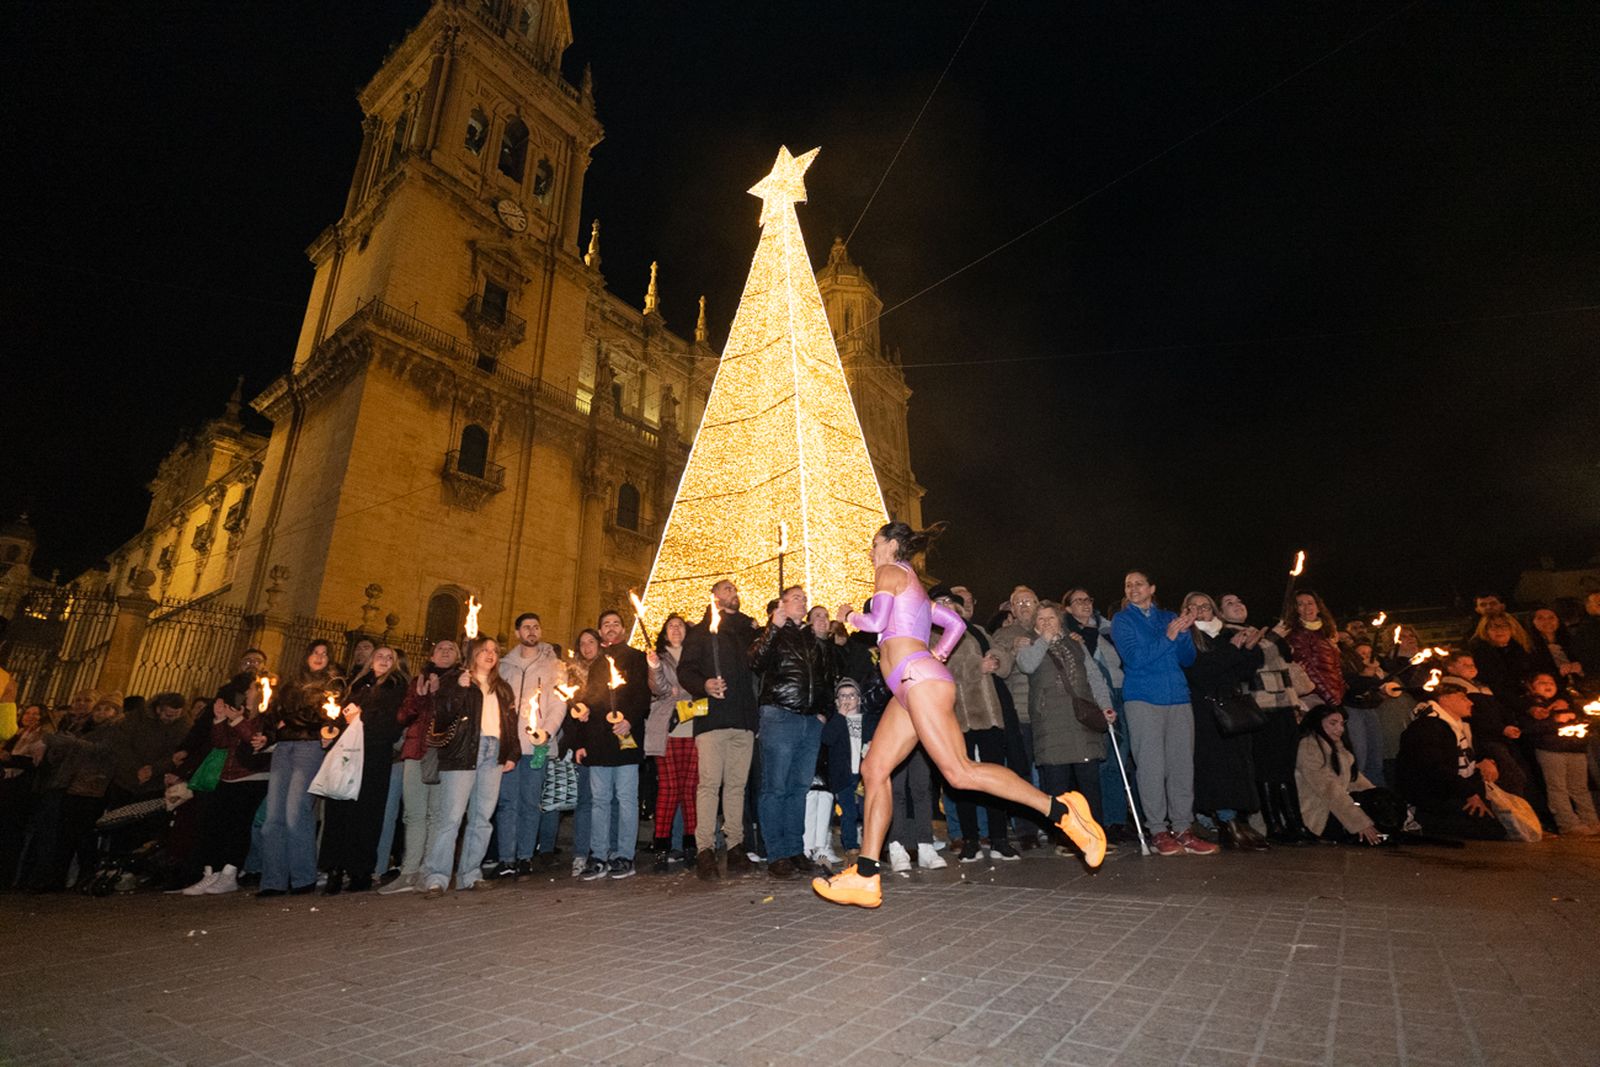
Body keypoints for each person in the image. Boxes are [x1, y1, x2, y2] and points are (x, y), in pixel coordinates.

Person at [814, 523, 1105, 909]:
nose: (870, 552)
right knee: (874, 770)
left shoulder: (888, 572)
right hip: (911, 685)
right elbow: (954, 624)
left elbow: (876, 622)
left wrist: (850, 615)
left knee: (960, 772)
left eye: (874, 544)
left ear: (892, 545)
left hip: (918, 681)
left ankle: (1063, 811)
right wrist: (941, 653)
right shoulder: (912, 585)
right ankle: (866, 875)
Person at [1111, 572, 1216, 857]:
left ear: (1152, 588)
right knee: (1151, 766)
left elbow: (1188, 659)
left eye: (1139, 584)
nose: (1133, 588)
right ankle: (1157, 829)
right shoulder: (1123, 621)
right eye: (1128, 585)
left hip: (1179, 698)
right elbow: (1134, 658)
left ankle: (1183, 828)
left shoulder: (1168, 615)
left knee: (1182, 765)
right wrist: (1170, 637)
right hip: (1143, 699)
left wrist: (1183, 635)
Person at [420, 639, 519, 897]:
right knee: (451, 818)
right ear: (473, 654)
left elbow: (510, 721)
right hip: (463, 753)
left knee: (482, 818)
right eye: (485, 650)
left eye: (495, 651)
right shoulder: (456, 679)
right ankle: (437, 876)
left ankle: (470, 873)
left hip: (493, 750)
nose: (490, 655)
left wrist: (512, 752)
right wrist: (459, 691)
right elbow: (442, 715)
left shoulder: (503, 688)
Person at [1016, 601, 1116, 858]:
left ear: (1061, 620)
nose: (1047, 623)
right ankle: (1065, 837)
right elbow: (1027, 666)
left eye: (1051, 618)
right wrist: (1043, 640)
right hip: (1050, 721)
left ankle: (1097, 834)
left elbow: (1094, 677)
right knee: (1057, 782)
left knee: (1089, 780)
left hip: (1080, 719)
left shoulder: (1076, 643)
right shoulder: (1027, 644)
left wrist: (1105, 705)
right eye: (1041, 619)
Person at [751, 584, 836, 879]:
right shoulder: (773, 633)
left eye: (804, 599)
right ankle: (776, 854)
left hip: (810, 721)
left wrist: (824, 711)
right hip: (780, 716)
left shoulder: (812, 638)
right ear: (782, 605)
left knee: (799, 789)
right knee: (775, 787)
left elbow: (827, 676)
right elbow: (755, 661)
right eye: (796, 598)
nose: (802, 602)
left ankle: (794, 848)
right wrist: (772, 629)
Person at [677, 580, 759, 881]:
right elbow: (685, 669)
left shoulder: (746, 631)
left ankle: (735, 845)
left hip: (743, 720)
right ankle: (705, 850)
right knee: (709, 785)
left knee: (737, 786)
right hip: (712, 721)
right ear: (714, 597)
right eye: (726, 590)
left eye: (735, 589)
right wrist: (705, 685)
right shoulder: (700, 632)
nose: (734, 593)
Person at [1182, 592, 1269, 851]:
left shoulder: (1225, 635)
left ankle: (1235, 819)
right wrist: (1233, 649)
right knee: (1213, 768)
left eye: (1205, 606)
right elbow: (1202, 671)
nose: (1200, 610)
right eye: (1193, 607)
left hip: (1232, 708)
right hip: (1205, 712)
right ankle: (1222, 821)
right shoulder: (1187, 638)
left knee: (1238, 766)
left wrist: (1251, 648)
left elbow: (1242, 670)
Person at [319, 645, 408, 894]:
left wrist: (362, 718)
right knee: (339, 810)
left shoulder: (397, 688)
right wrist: (331, 732)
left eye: (389, 658)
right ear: (370, 661)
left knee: (367, 813)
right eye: (379, 656)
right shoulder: (358, 687)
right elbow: (339, 716)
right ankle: (334, 869)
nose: (384, 660)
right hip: (348, 754)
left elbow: (394, 723)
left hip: (374, 754)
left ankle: (360, 871)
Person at [938, 584, 1017, 861]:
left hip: (990, 713)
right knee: (964, 780)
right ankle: (970, 839)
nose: (949, 606)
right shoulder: (933, 634)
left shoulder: (978, 630)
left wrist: (997, 659)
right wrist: (976, 668)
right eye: (942, 601)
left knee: (996, 776)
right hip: (959, 716)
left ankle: (999, 838)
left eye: (952, 602)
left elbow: (1000, 651)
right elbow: (938, 670)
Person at [257, 641, 341, 897]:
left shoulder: (333, 684)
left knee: (296, 812)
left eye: (325, 654)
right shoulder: (291, 683)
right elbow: (273, 713)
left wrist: (289, 720)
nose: (319, 657)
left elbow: (322, 718)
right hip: (283, 748)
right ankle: (273, 880)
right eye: (315, 652)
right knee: (273, 817)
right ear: (306, 656)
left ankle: (303, 877)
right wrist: (269, 735)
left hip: (310, 748)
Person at [571, 609, 650, 881]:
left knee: (627, 799)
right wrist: (581, 725)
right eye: (606, 624)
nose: (611, 628)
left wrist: (629, 720)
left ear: (623, 629)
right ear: (600, 631)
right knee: (599, 801)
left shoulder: (636, 658)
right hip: (599, 742)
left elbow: (642, 695)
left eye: (616, 623)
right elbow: (590, 700)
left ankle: (625, 855)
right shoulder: (597, 664)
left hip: (626, 738)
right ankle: (599, 855)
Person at [379, 639, 459, 894]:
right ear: (432, 655)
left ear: (458, 657)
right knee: (413, 814)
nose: (445, 652)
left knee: (436, 814)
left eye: (451, 650)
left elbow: (455, 715)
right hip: (416, 750)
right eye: (441, 649)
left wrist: (438, 694)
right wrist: (421, 697)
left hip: (444, 753)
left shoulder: (461, 681)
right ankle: (409, 871)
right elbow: (403, 716)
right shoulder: (418, 680)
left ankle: (428, 869)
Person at [180, 679, 270, 895]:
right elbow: (221, 744)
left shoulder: (265, 716)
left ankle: (230, 872)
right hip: (227, 776)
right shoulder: (239, 713)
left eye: (250, 688)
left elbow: (254, 740)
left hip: (251, 777)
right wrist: (220, 719)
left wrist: (237, 719)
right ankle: (211, 872)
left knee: (238, 825)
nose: (246, 692)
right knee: (213, 822)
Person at [493, 612, 565, 878]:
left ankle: (525, 856)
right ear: (517, 633)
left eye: (536, 627)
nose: (531, 631)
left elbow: (559, 704)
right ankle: (506, 858)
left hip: (538, 745)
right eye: (526, 627)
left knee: (530, 801)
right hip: (509, 745)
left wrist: (547, 732)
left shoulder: (555, 667)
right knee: (507, 802)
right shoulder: (503, 666)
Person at [1394, 682, 1506, 840]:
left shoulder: (1458, 728)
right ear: (1444, 699)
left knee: (1493, 826)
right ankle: (1421, 819)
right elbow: (1433, 768)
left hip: (1453, 791)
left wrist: (1484, 762)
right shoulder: (1427, 727)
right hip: (1433, 795)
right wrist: (1468, 792)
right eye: (1463, 698)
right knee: (1488, 830)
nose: (1470, 702)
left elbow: (1468, 758)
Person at [1064, 587, 1133, 840]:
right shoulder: (1071, 634)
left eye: (1088, 599)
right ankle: (1102, 820)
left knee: (1119, 760)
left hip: (1121, 692)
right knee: (1104, 760)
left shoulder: (1107, 630)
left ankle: (1117, 820)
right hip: (1096, 698)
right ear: (1068, 608)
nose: (1085, 604)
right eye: (1078, 601)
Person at [993, 586, 1045, 848]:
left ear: (1038, 603)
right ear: (1011, 609)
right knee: (1021, 773)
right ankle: (1026, 831)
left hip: (1049, 713)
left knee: (1049, 772)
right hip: (1020, 712)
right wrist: (1012, 651)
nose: (1024, 605)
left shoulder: (1048, 626)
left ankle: (1053, 824)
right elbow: (998, 671)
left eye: (1029, 600)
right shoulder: (1003, 635)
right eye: (1018, 602)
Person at [645, 614, 697, 872]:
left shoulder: (696, 656)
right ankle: (661, 846)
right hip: (667, 730)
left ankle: (691, 843)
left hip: (694, 730)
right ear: (665, 633)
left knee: (691, 790)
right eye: (671, 626)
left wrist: (680, 693)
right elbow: (659, 689)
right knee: (668, 789)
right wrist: (655, 668)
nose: (676, 629)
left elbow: (700, 688)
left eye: (680, 625)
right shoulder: (659, 658)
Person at [1519, 673, 1600, 836]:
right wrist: (1555, 719)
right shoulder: (1530, 706)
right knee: (1558, 787)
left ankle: (1591, 821)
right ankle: (1568, 823)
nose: (1547, 685)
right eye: (1541, 682)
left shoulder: (1567, 702)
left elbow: (1587, 723)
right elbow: (1528, 729)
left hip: (1575, 749)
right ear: (1531, 686)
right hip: (1551, 749)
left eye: (1551, 682)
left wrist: (1575, 717)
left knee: (1580, 787)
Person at [1295, 707, 1385, 845]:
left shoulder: (1339, 748)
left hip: (1330, 809)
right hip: (1316, 815)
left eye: (1342, 724)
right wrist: (1359, 822)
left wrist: (1382, 801)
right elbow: (1329, 789)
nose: (1340, 729)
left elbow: (1357, 782)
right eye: (1333, 723)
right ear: (1317, 723)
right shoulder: (1309, 747)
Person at [819, 678, 876, 861]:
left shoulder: (868, 721)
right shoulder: (836, 721)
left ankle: (870, 843)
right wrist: (840, 716)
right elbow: (827, 739)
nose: (847, 699)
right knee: (848, 811)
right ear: (836, 702)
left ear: (859, 699)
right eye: (842, 696)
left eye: (852, 695)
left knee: (868, 809)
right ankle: (851, 845)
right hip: (843, 774)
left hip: (863, 775)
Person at [1339, 640, 1397, 787]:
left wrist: (1382, 694)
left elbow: (1374, 696)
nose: (1367, 657)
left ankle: (1377, 793)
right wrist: (1367, 674)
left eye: (1369, 653)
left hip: (1369, 712)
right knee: (1360, 756)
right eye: (1362, 654)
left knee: (1375, 757)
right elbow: (1355, 689)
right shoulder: (1347, 672)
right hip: (1353, 712)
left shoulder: (1376, 673)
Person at [1284, 590, 1346, 711]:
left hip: (1336, 694)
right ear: (1295, 610)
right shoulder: (1297, 634)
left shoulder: (1325, 632)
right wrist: (1330, 696)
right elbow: (1309, 668)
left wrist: (1342, 689)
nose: (1307, 607)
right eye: (1300, 604)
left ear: (1318, 607)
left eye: (1310, 603)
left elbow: (1336, 666)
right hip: (1318, 697)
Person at [1468, 615, 1537, 696]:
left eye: (1504, 626)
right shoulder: (1479, 654)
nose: (1499, 630)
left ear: (1512, 629)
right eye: (1493, 627)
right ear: (1485, 631)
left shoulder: (1524, 650)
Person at [1528, 606, 1585, 691]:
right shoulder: (1529, 647)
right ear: (1532, 622)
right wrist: (1558, 672)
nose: (1547, 621)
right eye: (1540, 618)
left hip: (1583, 685)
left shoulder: (1573, 640)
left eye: (1551, 617)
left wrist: (1581, 666)